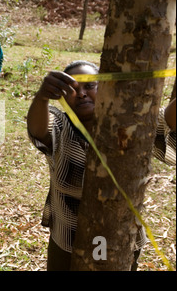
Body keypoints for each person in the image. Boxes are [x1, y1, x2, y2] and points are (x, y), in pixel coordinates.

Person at [26, 60, 176, 271]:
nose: (81, 94)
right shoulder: (60, 125)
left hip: (120, 237)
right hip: (68, 236)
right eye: (72, 89)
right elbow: (39, 130)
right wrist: (41, 97)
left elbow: (165, 121)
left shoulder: (129, 123)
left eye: (89, 86)